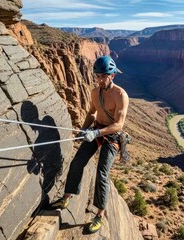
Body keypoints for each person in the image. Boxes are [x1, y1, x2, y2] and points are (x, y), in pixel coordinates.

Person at [49, 55, 129, 234]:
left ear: (112, 76)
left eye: (104, 76)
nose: (100, 80)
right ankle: (66, 197)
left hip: (112, 136)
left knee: (102, 172)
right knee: (78, 161)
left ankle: (99, 215)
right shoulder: (95, 92)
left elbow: (118, 125)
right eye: (98, 76)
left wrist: (96, 133)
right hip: (96, 130)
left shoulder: (120, 95)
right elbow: (92, 113)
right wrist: (83, 130)